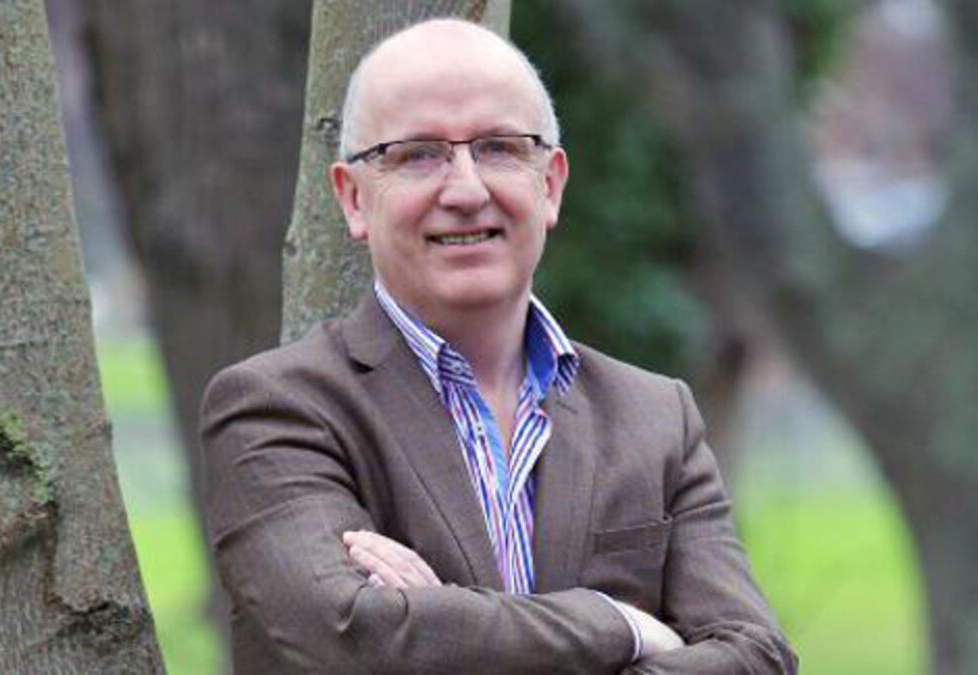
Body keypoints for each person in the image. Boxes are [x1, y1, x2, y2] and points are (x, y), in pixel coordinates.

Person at [201, 17, 797, 675]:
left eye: (499, 148)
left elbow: (757, 657)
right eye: (417, 154)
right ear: (353, 199)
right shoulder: (277, 410)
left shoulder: (655, 419)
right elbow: (359, 637)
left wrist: (440, 627)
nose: (465, 190)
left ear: (551, 185)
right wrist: (623, 624)